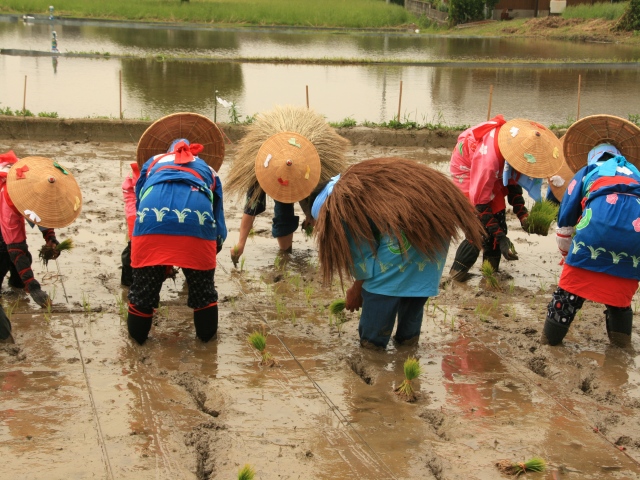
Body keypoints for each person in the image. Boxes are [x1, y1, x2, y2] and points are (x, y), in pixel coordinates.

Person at [310, 157, 485, 350]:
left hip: (401, 242)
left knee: (378, 311)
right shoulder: (362, 183)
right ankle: (407, 352)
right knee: (412, 302)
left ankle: (373, 353)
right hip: (433, 244)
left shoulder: (339, 206)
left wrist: (356, 290)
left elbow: (363, 257)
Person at [541, 114, 640, 348]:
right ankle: (620, 350)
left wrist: (568, 256)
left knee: (569, 293)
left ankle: (550, 344)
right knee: (619, 294)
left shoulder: (588, 170)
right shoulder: (636, 174)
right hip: (636, 238)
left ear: (593, 156)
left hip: (596, 233)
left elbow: (566, 218)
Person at [127, 112, 227, 345]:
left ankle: (138, 339)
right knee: (204, 292)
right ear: (193, 152)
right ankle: (205, 341)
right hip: (196, 223)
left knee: (143, 291)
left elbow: (140, 200)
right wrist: (213, 248)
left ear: (168, 150)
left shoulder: (152, 163)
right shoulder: (208, 170)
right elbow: (217, 214)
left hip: (151, 222)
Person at [224, 105, 348, 263]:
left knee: (318, 209)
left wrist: (311, 216)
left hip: (306, 173)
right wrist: (240, 244)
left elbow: (326, 206)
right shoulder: (261, 170)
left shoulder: (315, 165)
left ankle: (331, 251)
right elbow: (250, 209)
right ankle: (285, 254)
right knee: (283, 213)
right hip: (276, 173)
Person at [448, 116, 564, 281]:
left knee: (499, 222)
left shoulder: (516, 150)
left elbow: (512, 184)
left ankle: (490, 273)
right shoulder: (488, 163)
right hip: (467, 171)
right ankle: (456, 276)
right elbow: (480, 205)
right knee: (478, 231)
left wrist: (523, 215)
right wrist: (501, 238)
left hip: (494, 166)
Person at [0, 153, 82, 311]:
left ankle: (17, 284)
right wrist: (34, 288)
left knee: (21, 263)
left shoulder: (35, 182)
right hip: (3, 207)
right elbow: (16, 249)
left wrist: (50, 238)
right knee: (5, 253)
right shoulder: (9, 202)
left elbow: (40, 211)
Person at [120, 162, 140, 287]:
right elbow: (128, 191)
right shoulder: (138, 169)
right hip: (135, 211)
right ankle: (128, 283)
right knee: (134, 245)